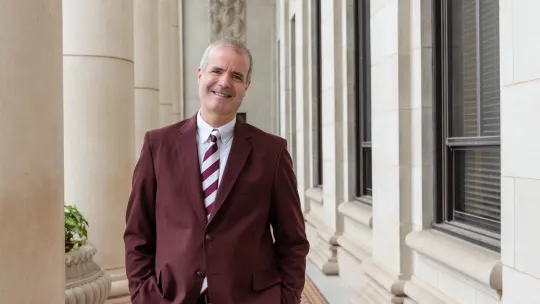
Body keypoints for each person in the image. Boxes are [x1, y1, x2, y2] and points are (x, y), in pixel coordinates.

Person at [123, 38, 309, 304]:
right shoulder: (157, 145)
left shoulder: (272, 152)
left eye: (236, 76)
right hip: (172, 297)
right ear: (200, 75)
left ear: (246, 86)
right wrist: (144, 295)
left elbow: (293, 240)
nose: (224, 82)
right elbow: (137, 233)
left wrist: (286, 298)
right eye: (216, 71)